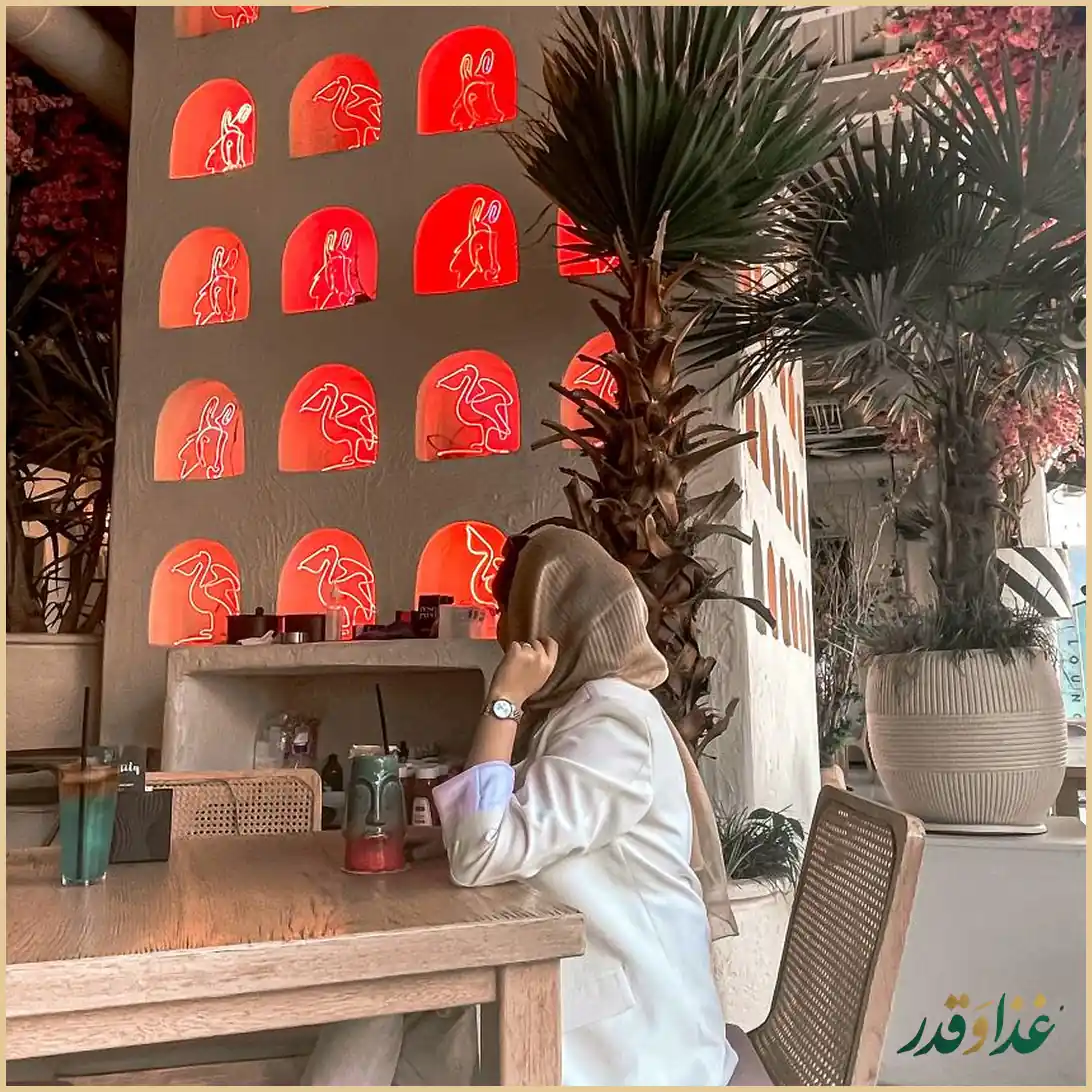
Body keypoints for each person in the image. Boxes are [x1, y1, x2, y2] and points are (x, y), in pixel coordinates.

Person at [304, 526, 738, 1086]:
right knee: (384, 1007)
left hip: (634, 1037)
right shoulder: (589, 709)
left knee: (384, 1006)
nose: (505, 634)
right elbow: (520, 823)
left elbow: (483, 853)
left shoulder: (614, 725)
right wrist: (448, 838)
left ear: (552, 620)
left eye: (513, 615)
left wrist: (503, 700)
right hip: (585, 984)